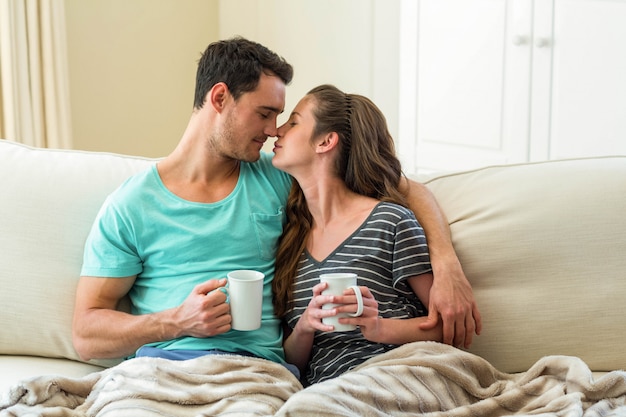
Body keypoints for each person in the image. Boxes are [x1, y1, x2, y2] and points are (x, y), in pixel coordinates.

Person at [72, 37, 479, 375]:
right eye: (264, 114)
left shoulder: (281, 175)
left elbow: (407, 190)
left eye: (282, 118)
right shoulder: (130, 205)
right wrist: (176, 321)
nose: (272, 131)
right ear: (219, 98)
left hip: (258, 372)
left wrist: (446, 265)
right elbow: (85, 333)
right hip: (162, 368)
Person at [272, 84, 448, 384]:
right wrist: (305, 326)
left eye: (294, 121)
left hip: (397, 374)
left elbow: (446, 326)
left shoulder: (389, 221)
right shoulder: (291, 240)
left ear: (326, 141)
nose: (278, 130)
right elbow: (293, 363)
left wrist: (378, 327)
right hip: (325, 391)